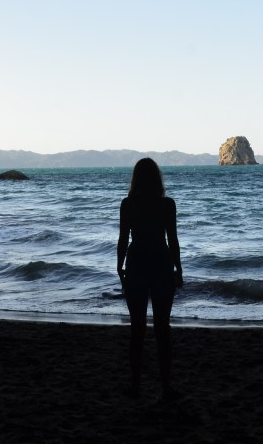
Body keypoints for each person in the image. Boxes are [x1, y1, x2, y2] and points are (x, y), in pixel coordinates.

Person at [116, 157, 183, 400]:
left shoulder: (128, 204)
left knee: (137, 330)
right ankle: (166, 388)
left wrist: (119, 266)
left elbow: (123, 239)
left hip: (136, 264)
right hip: (161, 264)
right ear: (158, 179)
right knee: (163, 330)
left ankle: (135, 386)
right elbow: (172, 240)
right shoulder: (167, 205)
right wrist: (179, 269)